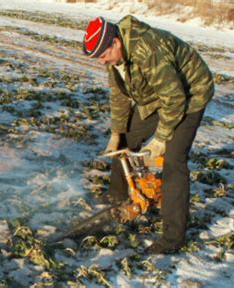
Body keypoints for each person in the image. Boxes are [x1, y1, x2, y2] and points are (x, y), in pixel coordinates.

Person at [82, 15, 214, 254]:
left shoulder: (148, 49)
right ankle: (117, 196)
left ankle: (173, 238)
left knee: (174, 160)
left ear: (116, 43)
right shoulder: (116, 58)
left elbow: (174, 99)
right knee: (127, 139)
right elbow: (119, 95)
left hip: (190, 94)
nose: (102, 62)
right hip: (157, 94)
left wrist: (162, 138)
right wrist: (116, 131)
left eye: (103, 56)